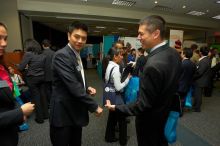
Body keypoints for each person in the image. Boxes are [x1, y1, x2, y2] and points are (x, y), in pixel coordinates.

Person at [105, 15, 182, 146]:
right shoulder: (173, 53)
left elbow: (142, 105)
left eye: (141, 34)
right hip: (164, 115)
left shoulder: (153, 64)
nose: (138, 38)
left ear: (156, 33)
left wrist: (117, 107)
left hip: (149, 122)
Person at [49, 21, 103, 146]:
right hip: (63, 114)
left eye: (83, 38)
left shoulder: (76, 54)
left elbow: (76, 78)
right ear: (69, 36)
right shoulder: (62, 55)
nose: (80, 41)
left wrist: (86, 87)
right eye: (76, 36)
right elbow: (73, 85)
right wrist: (94, 106)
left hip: (75, 111)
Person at [0, 22, 34, 146]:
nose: (4, 43)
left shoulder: (3, 65)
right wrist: (20, 112)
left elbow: (9, 96)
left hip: (9, 132)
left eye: (5, 38)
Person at [104, 47, 131, 146]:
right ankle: (123, 140)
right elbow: (119, 87)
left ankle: (109, 137)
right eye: (120, 55)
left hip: (110, 95)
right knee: (122, 119)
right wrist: (127, 79)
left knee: (112, 117)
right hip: (116, 96)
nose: (121, 56)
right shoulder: (115, 69)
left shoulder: (109, 65)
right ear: (115, 57)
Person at [18, 39, 48, 124]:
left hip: (33, 78)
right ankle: (46, 115)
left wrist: (25, 70)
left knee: (36, 97)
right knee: (43, 96)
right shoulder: (42, 54)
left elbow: (20, 68)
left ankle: (40, 118)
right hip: (42, 77)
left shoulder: (28, 54)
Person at [193, 46, 211, 112]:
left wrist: (192, 77)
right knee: (198, 94)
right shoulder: (206, 59)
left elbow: (199, 72)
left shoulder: (204, 61)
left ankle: (197, 108)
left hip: (200, 80)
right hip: (202, 79)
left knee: (198, 94)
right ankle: (196, 106)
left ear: (200, 52)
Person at [178, 48, 196, 115]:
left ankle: (179, 112)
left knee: (178, 99)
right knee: (183, 98)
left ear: (184, 54)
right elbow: (194, 74)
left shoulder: (181, 64)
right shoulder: (193, 64)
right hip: (187, 84)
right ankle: (181, 111)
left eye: (182, 52)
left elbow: (177, 74)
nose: (181, 54)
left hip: (179, 84)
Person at [41, 39, 54, 107]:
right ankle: (55, 103)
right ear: (50, 45)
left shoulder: (41, 54)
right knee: (54, 89)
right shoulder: (54, 53)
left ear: (43, 45)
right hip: (53, 75)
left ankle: (50, 103)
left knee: (47, 90)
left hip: (45, 75)